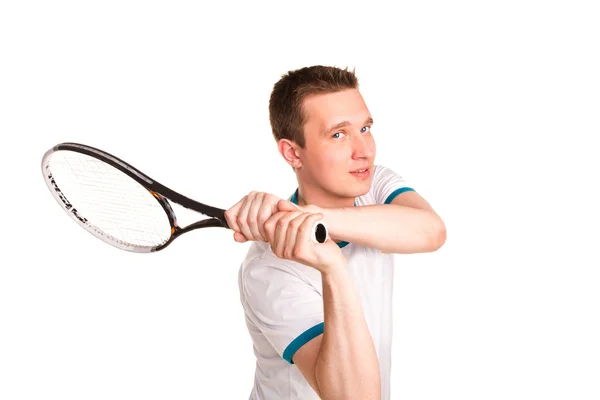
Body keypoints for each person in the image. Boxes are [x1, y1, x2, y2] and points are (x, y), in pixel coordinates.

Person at [224, 65, 446, 400]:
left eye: (365, 128)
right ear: (292, 153)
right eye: (338, 135)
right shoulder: (268, 270)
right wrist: (332, 266)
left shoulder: (373, 186)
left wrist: (315, 219)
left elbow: (432, 232)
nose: (364, 151)